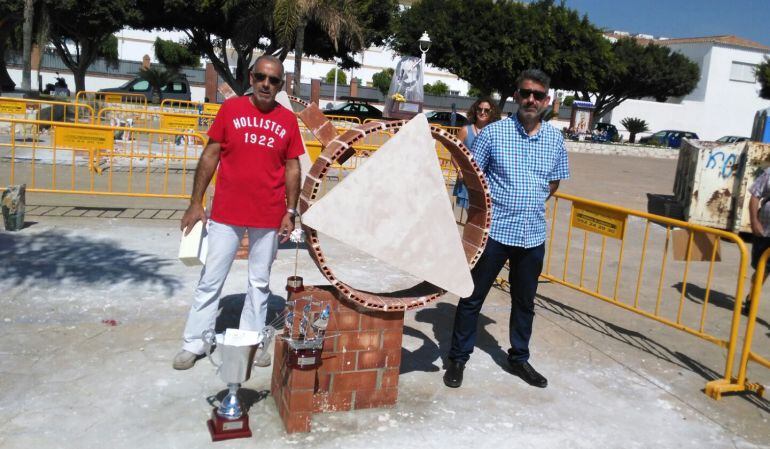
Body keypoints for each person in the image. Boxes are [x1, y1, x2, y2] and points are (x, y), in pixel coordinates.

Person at [173, 54, 304, 370]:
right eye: (261, 77)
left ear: (280, 85)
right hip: (226, 213)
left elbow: (293, 168)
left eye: (273, 80)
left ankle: (251, 339)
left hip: (269, 216)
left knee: (258, 282)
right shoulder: (231, 110)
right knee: (211, 280)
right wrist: (195, 202)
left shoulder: (287, 120)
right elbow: (210, 155)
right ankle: (195, 343)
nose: (266, 84)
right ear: (251, 77)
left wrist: (290, 211)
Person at [443, 69, 570, 389]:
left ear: (547, 100)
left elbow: (553, 182)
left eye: (538, 95)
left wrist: (529, 200)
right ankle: (458, 358)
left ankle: (519, 358)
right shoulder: (493, 134)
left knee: (525, 301)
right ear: (516, 96)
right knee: (472, 297)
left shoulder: (555, 138)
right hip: (495, 233)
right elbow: (473, 178)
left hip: (532, 235)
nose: (531, 99)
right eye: (526, 93)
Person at [453, 97, 502, 210]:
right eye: (479, 109)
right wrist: (459, 171)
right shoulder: (465, 130)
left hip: (488, 184)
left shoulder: (495, 132)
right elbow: (455, 154)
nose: (482, 112)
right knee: (472, 220)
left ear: (492, 112)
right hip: (468, 182)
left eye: (486, 110)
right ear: (475, 111)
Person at [745, 168, 770, 315]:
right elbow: (755, 195)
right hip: (766, 232)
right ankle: (751, 299)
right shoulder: (769, 173)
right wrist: (754, 222)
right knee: (761, 269)